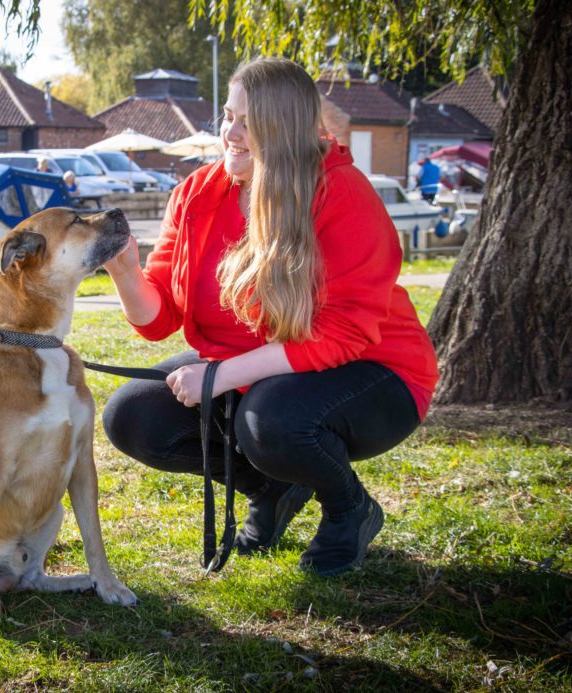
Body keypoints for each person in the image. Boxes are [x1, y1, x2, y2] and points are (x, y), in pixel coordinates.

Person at [101, 57, 438, 577]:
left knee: (271, 419)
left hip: (375, 373)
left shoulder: (340, 193)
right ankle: (275, 487)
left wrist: (218, 376)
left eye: (246, 122)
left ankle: (350, 508)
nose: (229, 134)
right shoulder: (195, 195)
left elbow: (344, 335)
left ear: (282, 129)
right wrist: (125, 270)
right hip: (254, 370)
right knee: (132, 416)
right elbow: (157, 317)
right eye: (227, 118)